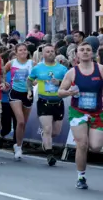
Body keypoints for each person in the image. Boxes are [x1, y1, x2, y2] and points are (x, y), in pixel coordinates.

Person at [58, 42, 103, 189]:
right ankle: (81, 177)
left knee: (95, 147)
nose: (85, 52)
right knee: (82, 145)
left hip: (97, 112)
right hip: (78, 112)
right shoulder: (72, 72)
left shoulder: (100, 70)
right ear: (77, 54)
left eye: (88, 50)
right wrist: (69, 92)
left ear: (93, 53)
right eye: (82, 50)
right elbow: (60, 91)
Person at [28, 44, 67, 166]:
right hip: (44, 102)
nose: (50, 53)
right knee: (47, 129)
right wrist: (29, 91)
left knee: (55, 132)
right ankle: (50, 155)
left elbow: (69, 83)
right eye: (47, 52)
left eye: (52, 51)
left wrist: (59, 82)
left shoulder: (62, 69)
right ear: (43, 54)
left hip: (58, 102)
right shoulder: (38, 68)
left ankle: (46, 141)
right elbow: (29, 80)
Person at [4, 43, 34, 160]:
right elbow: (2, 72)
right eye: (20, 50)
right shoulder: (11, 63)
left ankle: (18, 143)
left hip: (28, 94)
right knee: (20, 121)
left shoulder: (32, 63)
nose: (23, 52)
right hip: (15, 93)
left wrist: (33, 84)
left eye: (24, 50)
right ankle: (18, 147)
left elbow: (35, 77)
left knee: (23, 123)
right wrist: (4, 82)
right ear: (16, 52)